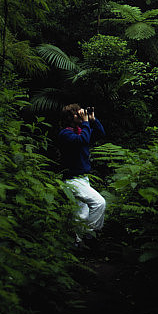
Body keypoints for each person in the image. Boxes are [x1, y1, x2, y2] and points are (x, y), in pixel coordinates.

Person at [58, 103, 106, 243]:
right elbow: (82, 140)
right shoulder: (65, 134)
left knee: (81, 216)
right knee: (99, 203)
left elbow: (100, 134)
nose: (80, 115)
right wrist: (85, 123)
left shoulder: (81, 131)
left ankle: (78, 244)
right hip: (72, 180)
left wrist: (92, 120)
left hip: (83, 179)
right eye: (77, 113)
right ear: (69, 118)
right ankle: (90, 235)